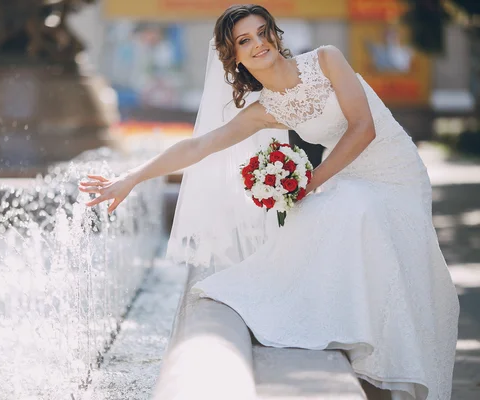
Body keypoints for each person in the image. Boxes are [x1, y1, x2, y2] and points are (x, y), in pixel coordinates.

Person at [79, 4, 459, 399]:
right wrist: (133, 177)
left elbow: (363, 130)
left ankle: (377, 353)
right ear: (235, 57)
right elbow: (201, 145)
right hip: (345, 177)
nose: (259, 43)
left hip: (393, 168)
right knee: (314, 217)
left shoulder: (327, 60)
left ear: (275, 34)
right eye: (246, 40)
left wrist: (309, 184)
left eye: (263, 33)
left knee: (346, 208)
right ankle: (356, 339)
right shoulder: (266, 110)